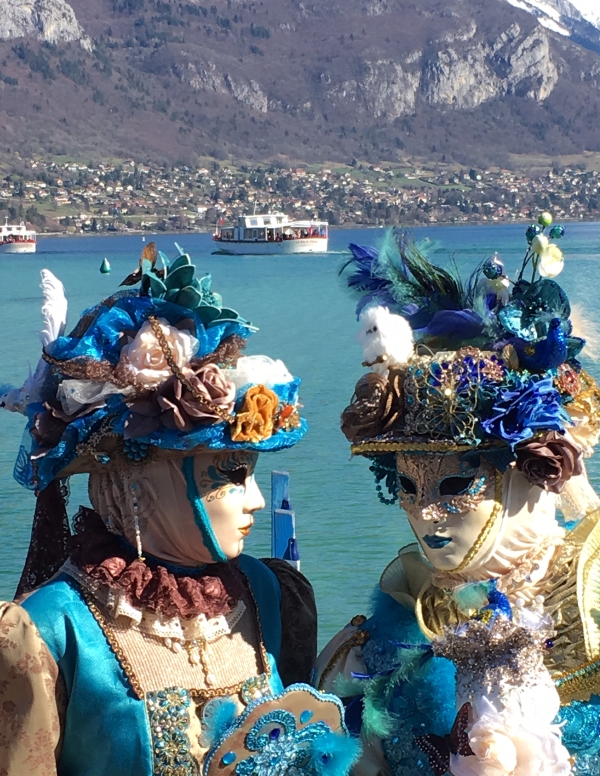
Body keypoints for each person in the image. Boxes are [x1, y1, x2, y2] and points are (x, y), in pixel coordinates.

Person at [0, 245, 357, 776]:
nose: (256, 499)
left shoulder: (268, 595)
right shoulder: (52, 628)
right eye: (232, 475)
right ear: (137, 483)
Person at [316, 223, 600, 776]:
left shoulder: (589, 595)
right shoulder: (403, 614)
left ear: (529, 475)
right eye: (406, 485)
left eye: (455, 485)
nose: (423, 512)